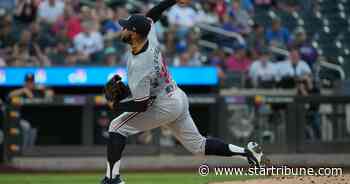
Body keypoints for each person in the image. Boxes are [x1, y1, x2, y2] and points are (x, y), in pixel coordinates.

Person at [100, 0, 265, 184]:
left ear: (135, 34)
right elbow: (154, 13)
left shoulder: (140, 64)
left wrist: (116, 105)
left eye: (126, 28)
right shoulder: (149, 36)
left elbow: (142, 104)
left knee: (116, 127)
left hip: (163, 104)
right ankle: (247, 153)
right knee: (198, 146)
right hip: (176, 95)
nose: (122, 30)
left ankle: (112, 179)